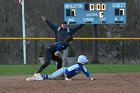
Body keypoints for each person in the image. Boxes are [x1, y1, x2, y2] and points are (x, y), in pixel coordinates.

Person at [26, 55, 95, 81]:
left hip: (65, 74)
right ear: (82, 61)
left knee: (54, 79)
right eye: (85, 61)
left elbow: (86, 73)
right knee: (52, 77)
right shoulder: (76, 66)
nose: (86, 62)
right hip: (63, 71)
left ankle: (41, 77)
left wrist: (91, 78)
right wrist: (66, 78)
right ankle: (38, 76)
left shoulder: (82, 66)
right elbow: (66, 70)